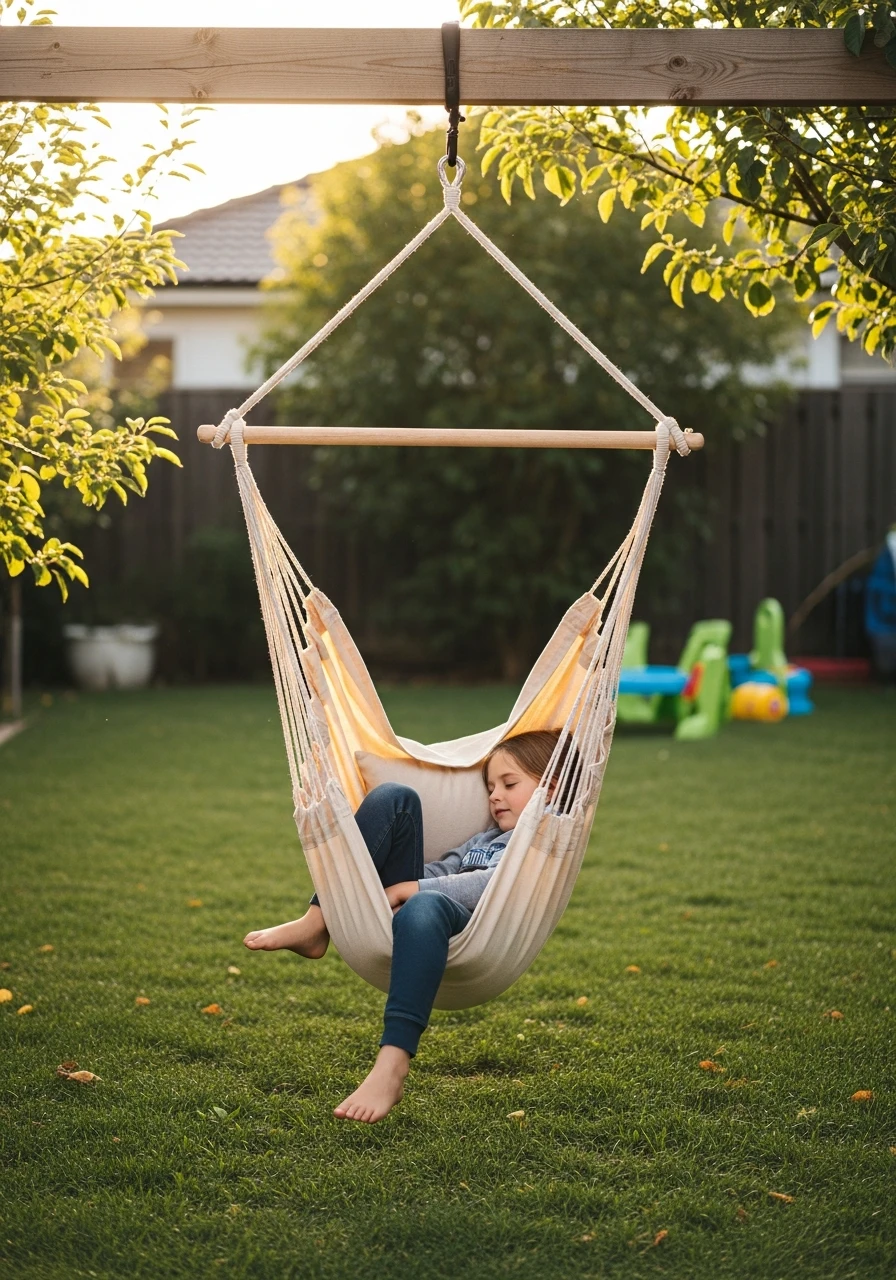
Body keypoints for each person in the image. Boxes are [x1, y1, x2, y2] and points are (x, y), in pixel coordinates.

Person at [243, 728, 571, 1123]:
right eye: (490, 786)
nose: (494, 796)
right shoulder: (486, 837)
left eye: (508, 784)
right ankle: (319, 919)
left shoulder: (540, 840)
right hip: (404, 903)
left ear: (550, 789)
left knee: (425, 905)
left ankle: (392, 1064)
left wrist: (415, 889)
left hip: (461, 926)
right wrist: (393, 888)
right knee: (392, 799)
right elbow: (448, 865)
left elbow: (495, 886)